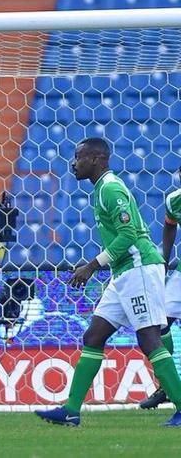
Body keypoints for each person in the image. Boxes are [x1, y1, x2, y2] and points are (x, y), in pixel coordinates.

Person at [35, 138, 181, 427]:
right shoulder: (101, 188)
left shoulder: (111, 188)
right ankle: (71, 411)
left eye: (78, 157)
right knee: (94, 336)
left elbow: (128, 234)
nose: (73, 163)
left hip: (138, 268)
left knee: (149, 338)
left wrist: (91, 265)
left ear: (97, 159)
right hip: (122, 272)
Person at [140, 169, 181, 409]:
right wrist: (164, 261)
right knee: (159, 319)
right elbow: (170, 226)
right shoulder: (174, 200)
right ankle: (167, 386)